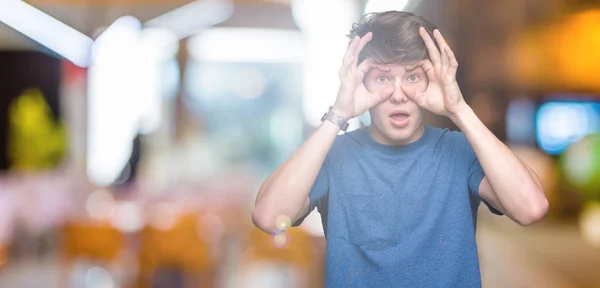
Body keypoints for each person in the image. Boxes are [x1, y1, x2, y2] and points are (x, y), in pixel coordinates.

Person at [251, 11, 548, 287]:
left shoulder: (460, 150)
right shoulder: (332, 155)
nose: (397, 94)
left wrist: (459, 110)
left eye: (412, 77)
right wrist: (338, 114)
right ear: (360, 83)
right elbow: (268, 217)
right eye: (382, 78)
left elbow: (531, 209)